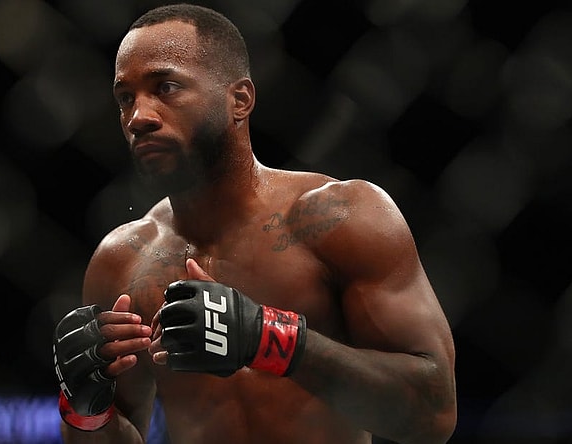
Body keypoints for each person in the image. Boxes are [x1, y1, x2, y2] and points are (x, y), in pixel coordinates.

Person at [52, 3, 457, 444]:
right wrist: (85, 408)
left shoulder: (337, 216)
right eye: (125, 98)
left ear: (239, 100)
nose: (138, 117)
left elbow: (434, 416)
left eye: (165, 87)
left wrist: (270, 339)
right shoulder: (121, 261)